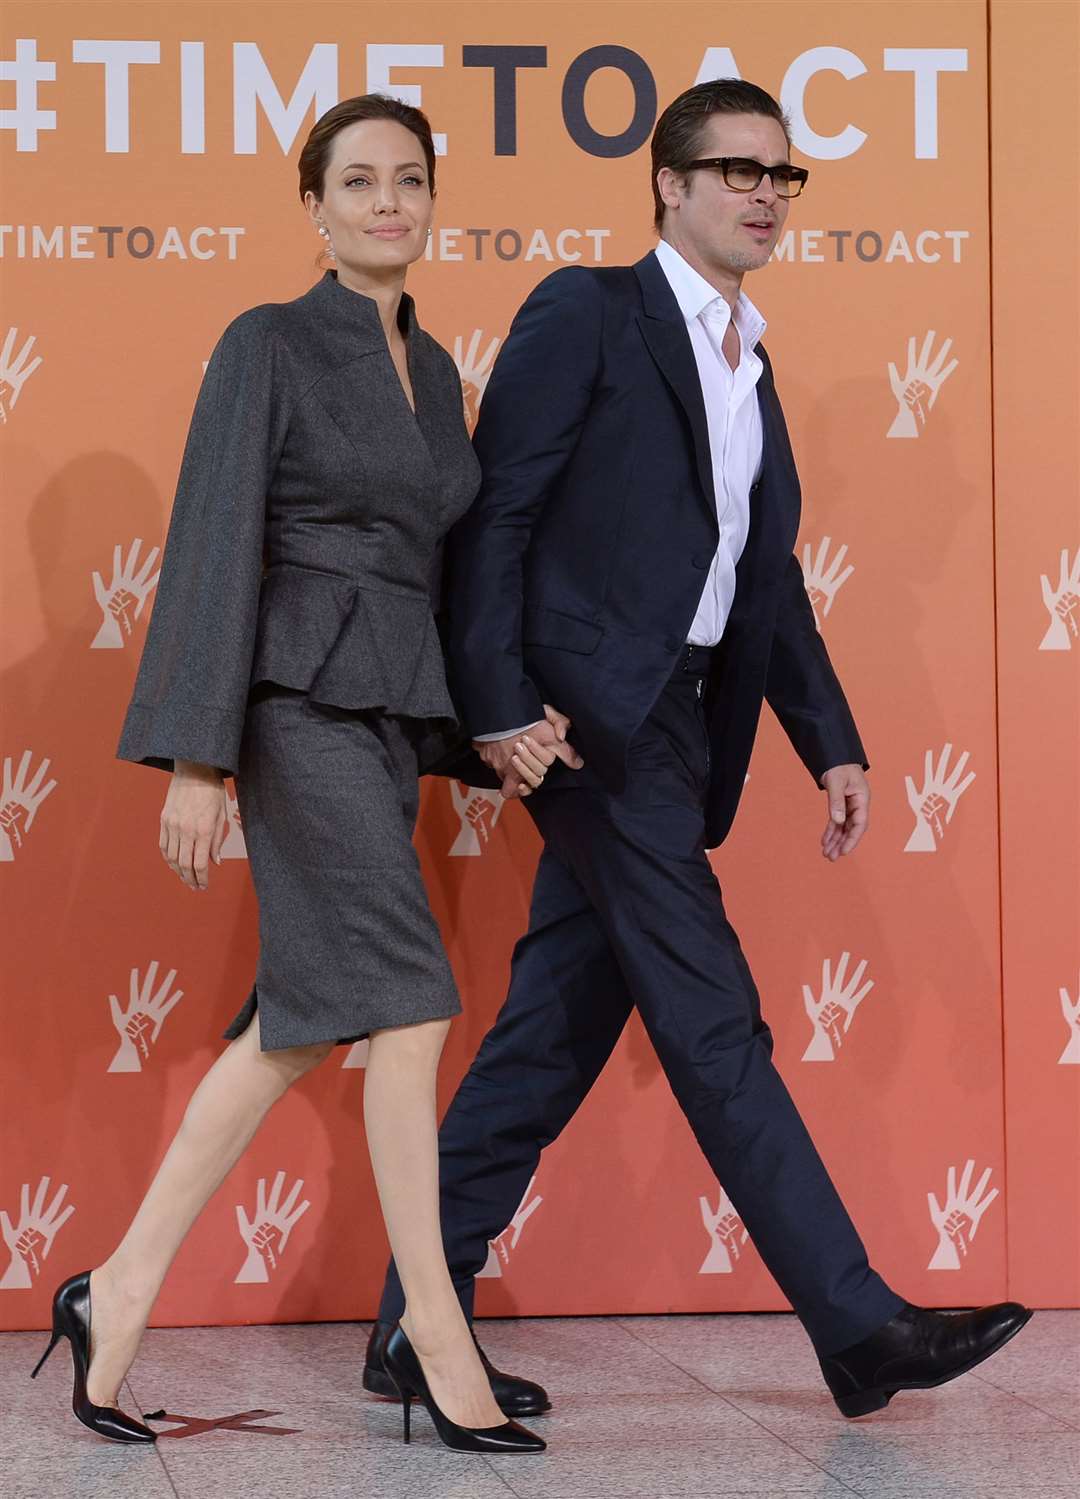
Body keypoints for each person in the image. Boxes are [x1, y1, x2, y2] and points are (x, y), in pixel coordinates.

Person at [365, 79, 1031, 1419]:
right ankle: (856, 1326)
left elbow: (761, 578)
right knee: (716, 1021)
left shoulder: (752, 357)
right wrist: (498, 707)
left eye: (783, 177)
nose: (765, 194)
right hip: (594, 727)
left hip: (680, 723)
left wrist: (827, 740)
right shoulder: (589, 313)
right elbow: (496, 523)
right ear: (667, 183)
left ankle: (409, 1324)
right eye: (737, 171)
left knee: (546, 1041)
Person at [31, 94, 547, 1456]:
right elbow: (214, 541)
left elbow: (446, 569)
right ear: (312, 208)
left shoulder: (437, 374)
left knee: (305, 1025)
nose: (390, 202)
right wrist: (200, 760)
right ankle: (434, 1333)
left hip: (391, 716)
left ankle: (115, 1290)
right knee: (416, 996)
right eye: (360, 181)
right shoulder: (266, 341)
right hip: (293, 707)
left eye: (411, 181)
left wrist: (487, 720)